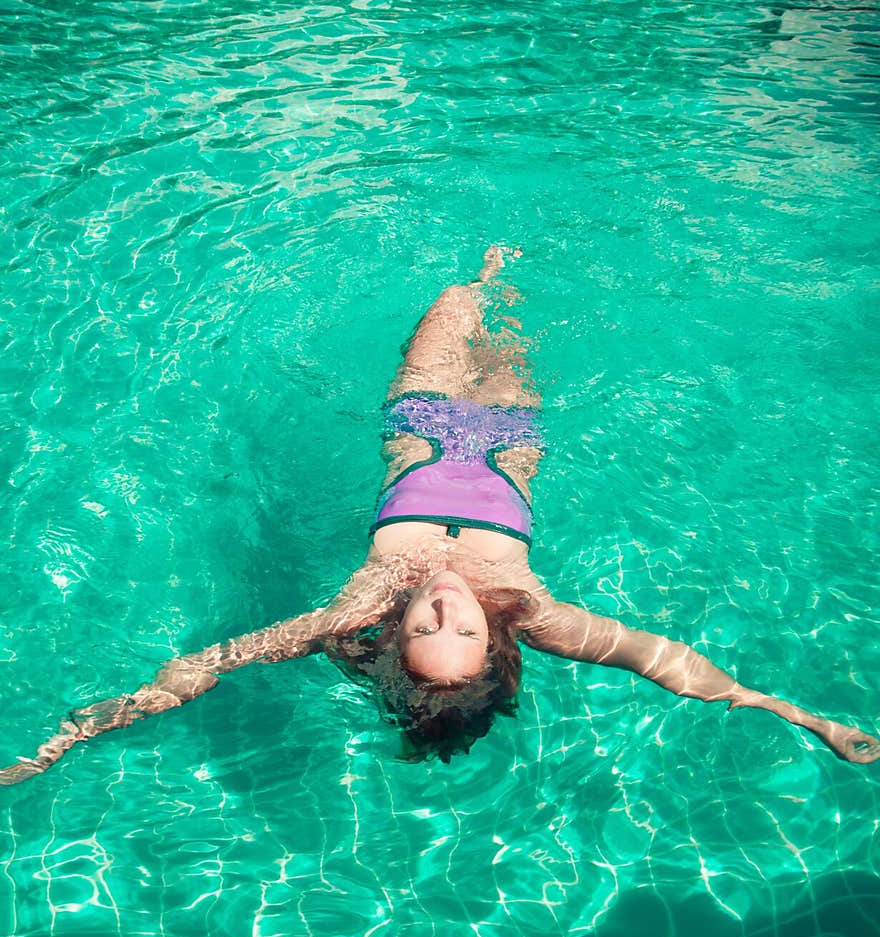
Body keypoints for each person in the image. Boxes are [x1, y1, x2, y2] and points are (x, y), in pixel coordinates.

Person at [1, 246, 878, 785]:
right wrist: (806, 719)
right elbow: (671, 665)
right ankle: (513, 265)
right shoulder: (538, 617)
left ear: (396, 636)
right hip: (510, 443)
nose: (444, 598)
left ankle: (485, 264)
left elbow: (207, 664)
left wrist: (62, 743)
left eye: (425, 619)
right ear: (493, 645)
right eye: (458, 623)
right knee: (508, 329)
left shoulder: (354, 616)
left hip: (421, 425)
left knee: (455, 303)